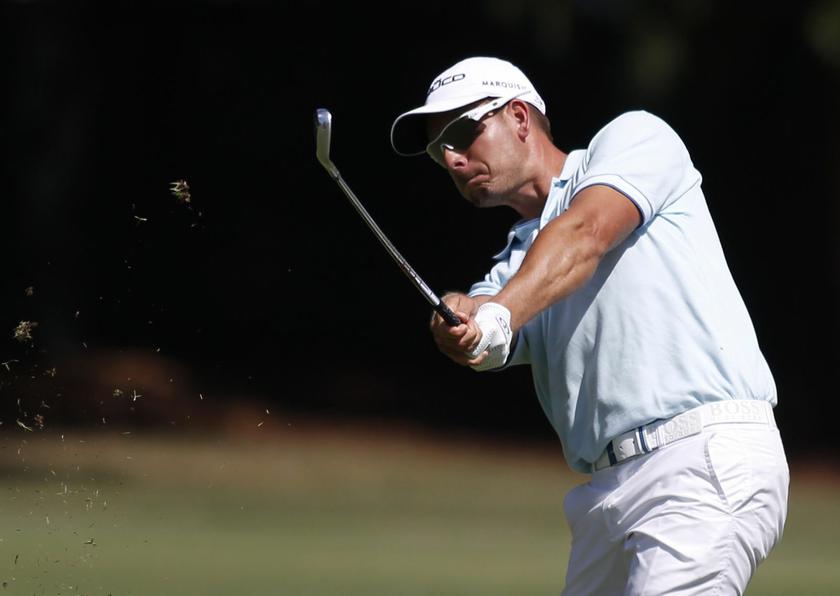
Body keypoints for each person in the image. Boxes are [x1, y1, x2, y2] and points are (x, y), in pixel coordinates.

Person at [390, 56, 789, 595]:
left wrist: (496, 314)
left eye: (463, 133)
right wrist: (463, 321)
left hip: (701, 456)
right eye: (440, 151)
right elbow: (486, 328)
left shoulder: (637, 140)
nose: (453, 159)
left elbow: (585, 233)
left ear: (519, 117)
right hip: (606, 493)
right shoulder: (515, 265)